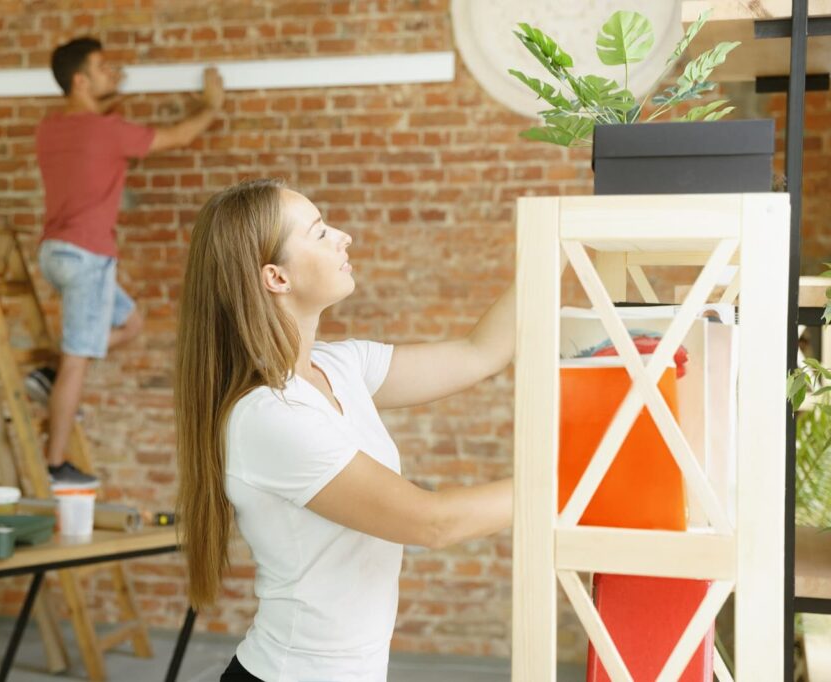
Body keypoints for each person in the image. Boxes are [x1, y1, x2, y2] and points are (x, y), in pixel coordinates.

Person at [174, 179, 515, 681]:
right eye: (319, 233)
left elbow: (479, 354)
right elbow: (431, 522)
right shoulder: (271, 416)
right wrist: (580, 484)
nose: (344, 236)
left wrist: (558, 248)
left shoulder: (341, 366)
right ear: (276, 277)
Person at [30, 36, 225, 488]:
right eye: (102, 68)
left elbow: (87, 128)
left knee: (131, 323)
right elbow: (179, 135)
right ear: (80, 80)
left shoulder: (51, 129)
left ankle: (52, 375)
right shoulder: (108, 132)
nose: (111, 72)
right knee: (79, 360)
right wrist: (211, 105)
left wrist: (110, 99)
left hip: (55, 255)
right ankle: (56, 465)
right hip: (87, 257)